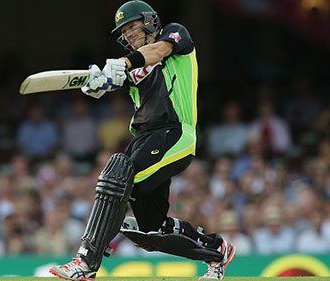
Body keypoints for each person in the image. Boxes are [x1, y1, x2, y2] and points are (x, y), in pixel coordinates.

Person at [49, 1, 236, 280]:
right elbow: (117, 78)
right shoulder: (133, 64)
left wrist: (122, 64)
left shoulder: (174, 35)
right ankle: (217, 251)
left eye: (132, 26)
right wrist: (98, 81)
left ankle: (85, 262)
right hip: (144, 138)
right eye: (123, 31)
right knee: (150, 231)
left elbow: (156, 52)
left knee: (116, 177)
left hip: (175, 132)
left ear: (149, 21)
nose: (128, 34)